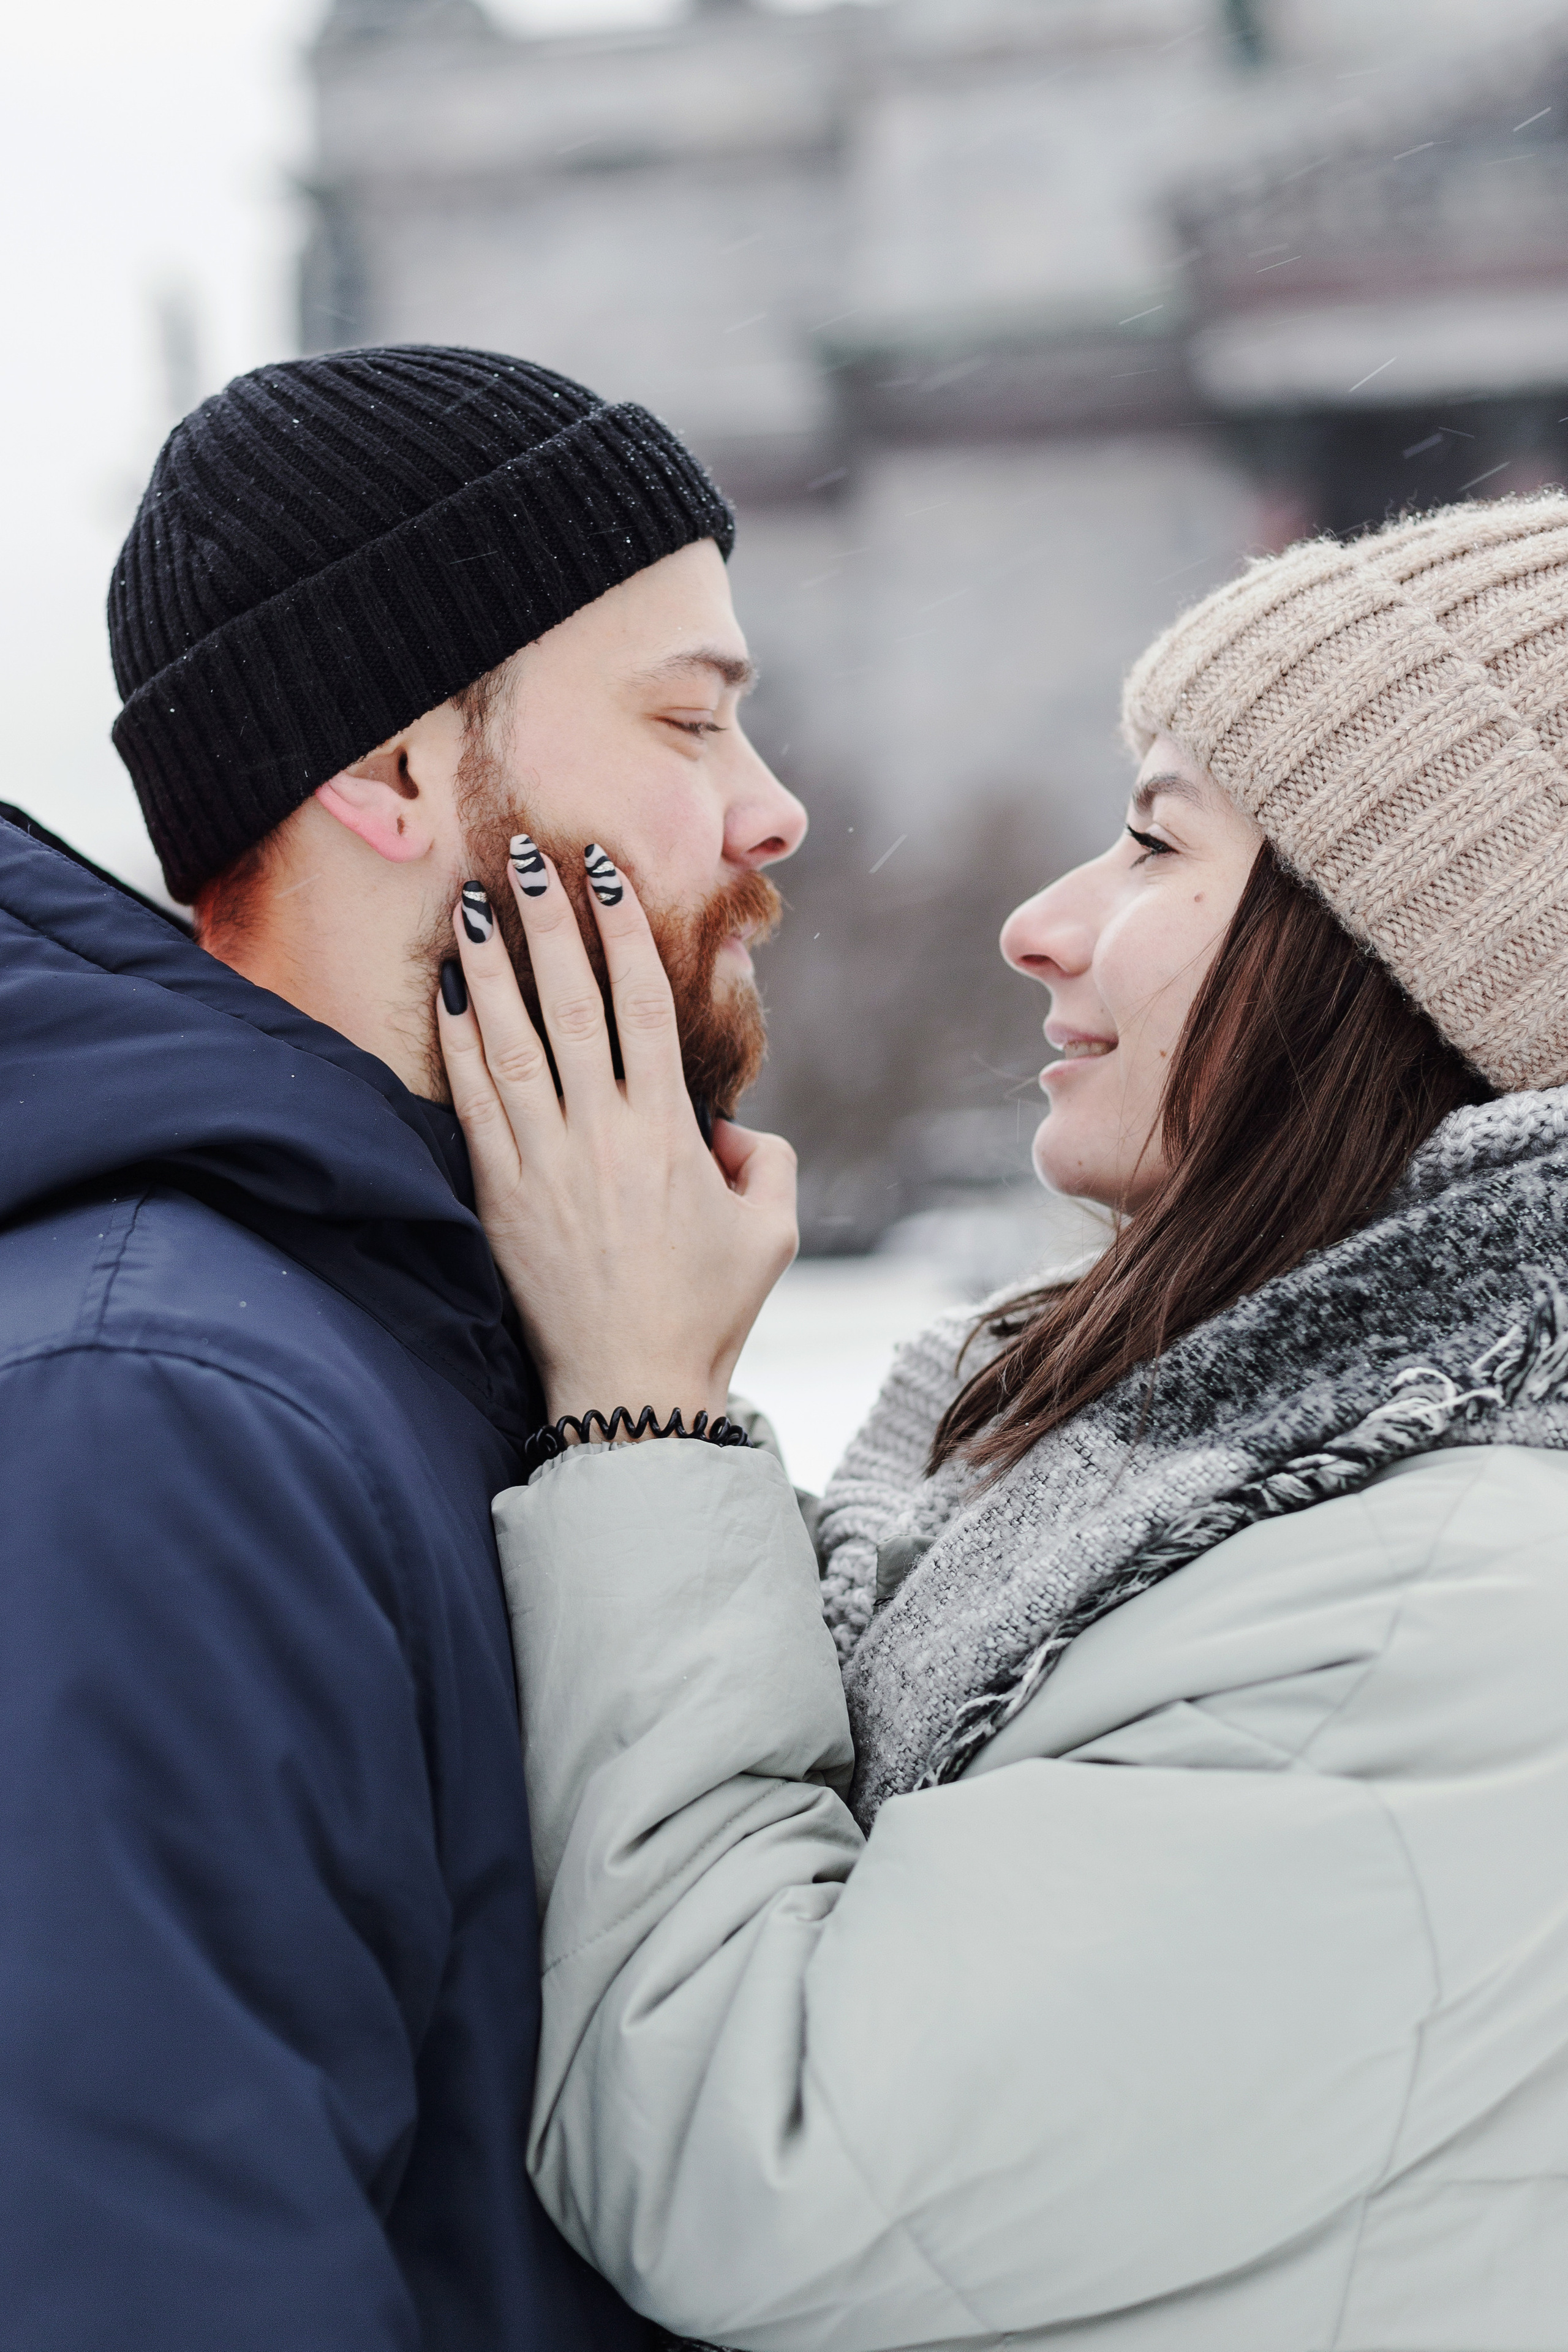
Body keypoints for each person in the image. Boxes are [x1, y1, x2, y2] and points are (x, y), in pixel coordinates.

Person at [442, 492, 1568, 2350]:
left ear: (1412, 956)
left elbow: (754, 2155)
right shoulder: (1260, 1471)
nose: (1043, 926)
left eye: (1150, 844)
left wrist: (642, 1420)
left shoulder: (1441, 1606)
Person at [0, 343, 802, 2350]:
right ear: (392, 774)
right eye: (688, 721)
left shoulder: (452, 1327)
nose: (771, 811)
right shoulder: (164, 1412)